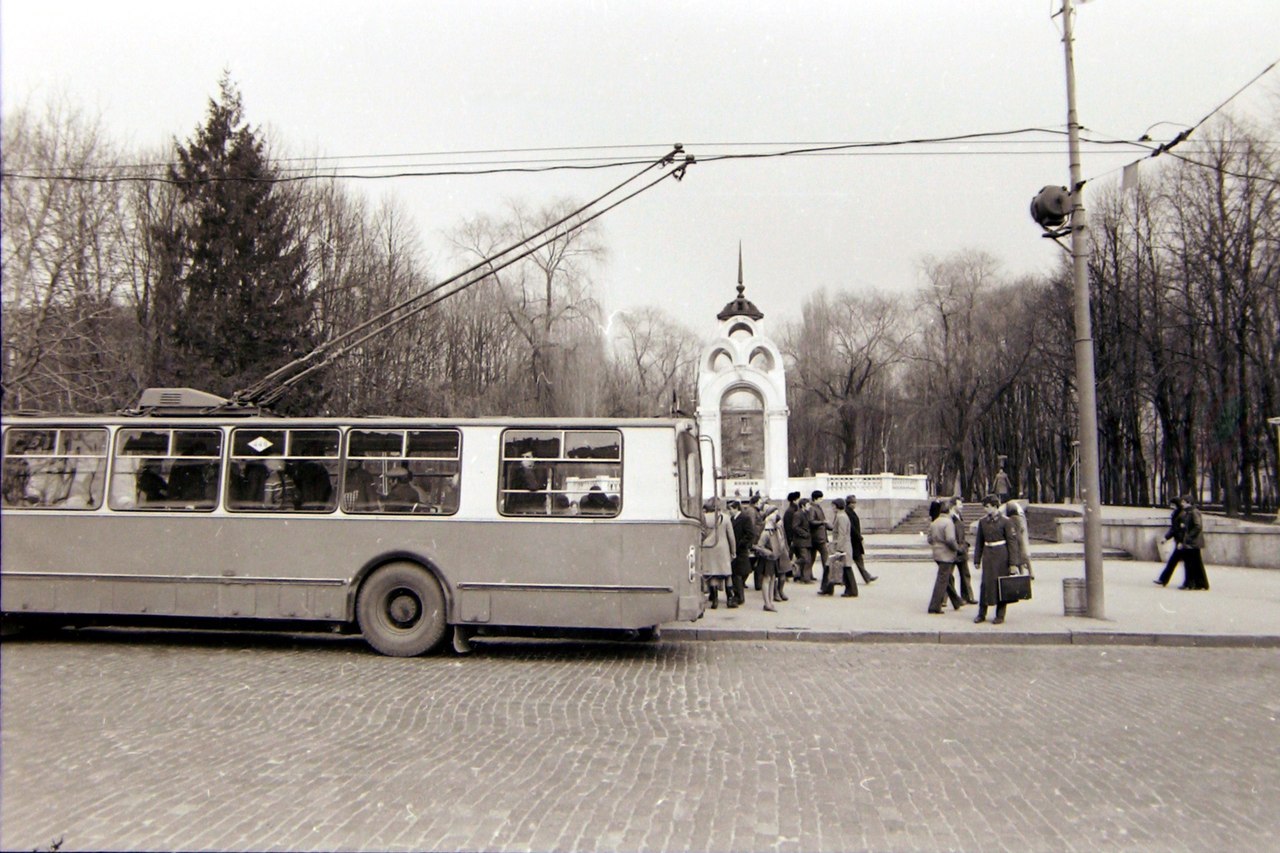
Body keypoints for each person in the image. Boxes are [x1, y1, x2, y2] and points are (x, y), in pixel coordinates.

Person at [972, 494, 1027, 625]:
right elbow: (979, 542)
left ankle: (1000, 615)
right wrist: (977, 559)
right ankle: (981, 613)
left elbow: (1012, 543)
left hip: (1002, 557)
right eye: (984, 507)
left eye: (988, 507)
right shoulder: (983, 522)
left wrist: (1013, 564)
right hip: (988, 557)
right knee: (985, 585)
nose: (985, 509)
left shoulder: (1006, 522)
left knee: (1002, 586)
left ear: (995, 506)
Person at [926, 499, 963, 613]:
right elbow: (950, 539)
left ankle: (956, 601)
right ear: (949, 510)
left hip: (937, 553)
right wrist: (957, 549)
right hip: (946, 555)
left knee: (947, 578)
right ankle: (935, 606)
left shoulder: (935, 522)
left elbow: (929, 539)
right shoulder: (948, 523)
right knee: (942, 580)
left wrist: (937, 545)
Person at [700, 498, 736, 609]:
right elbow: (731, 536)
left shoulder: (704, 518)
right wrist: (733, 551)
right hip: (722, 548)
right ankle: (730, 599)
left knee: (713, 574)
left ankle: (714, 600)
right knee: (727, 574)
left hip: (708, 548)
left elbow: (701, 534)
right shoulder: (725, 518)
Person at [751, 505, 787, 611]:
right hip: (768, 558)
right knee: (767, 579)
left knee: (772, 579)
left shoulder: (775, 531)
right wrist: (769, 552)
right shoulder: (767, 531)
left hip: (773, 557)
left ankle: (769, 601)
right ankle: (767, 602)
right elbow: (758, 546)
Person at [823, 497, 859, 597]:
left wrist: (839, 549)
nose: (832, 508)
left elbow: (842, 534)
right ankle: (828, 588)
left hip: (842, 546)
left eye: (833, 506)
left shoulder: (841, 517)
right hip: (841, 545)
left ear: (837, 506)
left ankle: (850, 590)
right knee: (834, 566)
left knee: (844, 568)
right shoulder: (840, 515)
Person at [842, 495, 878, 584]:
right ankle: (865, 577)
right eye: (853, 503)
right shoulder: (847, 513)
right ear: (849, 503)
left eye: (855, 503)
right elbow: (852, 528)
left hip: (854, 541)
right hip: (852, 541)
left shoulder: (850, 512)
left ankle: (866, 577)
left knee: (856, 560)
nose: (854, 505)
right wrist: (859, 537)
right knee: (852, 560)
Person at [1178, 495, 1210, 591]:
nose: (1182, 504)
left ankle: (1191, 583)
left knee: (1191, 563)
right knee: (1194, 562)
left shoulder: (1193, 512)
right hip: (1192, 541)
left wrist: (1188, 536)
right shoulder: (1189, 512)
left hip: (1192, 541)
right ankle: (1199, 583)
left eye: (1183, 502)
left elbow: (1198, 526)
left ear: (1189, 502)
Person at [949, 496, 977, 604]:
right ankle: (945, 599)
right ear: (953, 505)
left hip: (961, 549)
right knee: (948, 576)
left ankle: (968, 597)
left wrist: (965, 545)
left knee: (965, 574)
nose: (962, 506)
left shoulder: (959, 516)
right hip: (953, 550)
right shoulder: (950, 518)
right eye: (960, 504)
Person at [1154, 497, 1186, 586]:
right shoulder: (1176, 514)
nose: (1171, 507)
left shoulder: (1181, 515)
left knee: (1178, 562)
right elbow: (1174, 529)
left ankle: (1164, 579)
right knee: (1174, 562)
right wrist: (1166, 538)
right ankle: (1163, 579)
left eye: (1172, 505)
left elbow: (1180, 530)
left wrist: (1180, 541)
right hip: (1180, 541)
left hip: (1182, 542)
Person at [728, 500, 754, 608]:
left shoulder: (745, 518)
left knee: (738, 574)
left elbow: (750, 533)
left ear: (736, 508)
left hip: (740, 550)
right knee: (736, 574)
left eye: (730, 509)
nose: (729, 511)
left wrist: (740, 544)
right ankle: (739, 596)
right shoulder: (732, 519)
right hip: (735, 550)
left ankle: (739, 597)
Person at [785, 492, 812, 584]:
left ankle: (804, 578)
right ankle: (792, 565)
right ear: (803, 506)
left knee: (807, 559)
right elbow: (794, 527)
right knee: (804, 558)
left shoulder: (806, 513)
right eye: (808, 505)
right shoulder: (798, 514)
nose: (810, 506)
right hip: (800, 541)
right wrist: (804, 534)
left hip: (805, 540)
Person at [808, 490, 833, 589]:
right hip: (818, 537)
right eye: (820, 498)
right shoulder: (813, 508)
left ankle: (807, 575)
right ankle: (827, 576)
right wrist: (822, 522)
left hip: (819, 536)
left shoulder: (816, 507)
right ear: (815, 499)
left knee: (813, 557)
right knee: (825, 556)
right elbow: (811, 521)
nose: (821, 500)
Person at [1004, 500, 1034, 580]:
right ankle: (1030, 573)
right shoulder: (1019, 518)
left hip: (1014, 539)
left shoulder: (1009, 519)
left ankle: (1022, 574)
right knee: (1024, 556)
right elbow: (1022, 529)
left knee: (1017, 557)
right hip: (1020, 539)